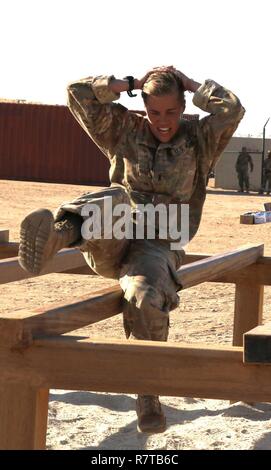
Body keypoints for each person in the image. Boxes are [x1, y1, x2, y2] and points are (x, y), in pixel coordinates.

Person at [18, 66, 245, 433]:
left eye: (172, 111)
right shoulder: (125, 129)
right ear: (143, 108)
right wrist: (128, 85)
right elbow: (77, 93)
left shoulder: (200, 139)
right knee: (116, 198)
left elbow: (231, 110)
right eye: (154, 112)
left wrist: (191, 84)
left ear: (183, 106)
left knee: (143, 295)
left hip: (157, 245)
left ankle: (147, 392)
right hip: (110, 235)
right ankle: (57, 236)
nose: (163, 121)